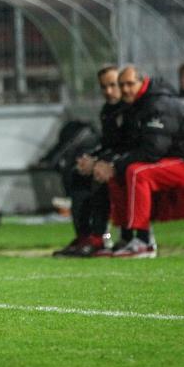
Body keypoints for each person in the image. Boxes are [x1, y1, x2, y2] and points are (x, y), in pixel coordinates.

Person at [92, 66, 184, 258]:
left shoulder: (158, 104)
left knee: (137, 172)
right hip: (172, 160)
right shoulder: (135, 106)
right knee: (121, 172)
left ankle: (144, 242)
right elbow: (128, 146)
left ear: (143, 82)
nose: (124, 89)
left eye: (129, 84)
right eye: (121, 85)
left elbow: (153, 150)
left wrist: (115, 165)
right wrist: (104, 163)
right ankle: (124, 237)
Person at [52, 66, 126, 257]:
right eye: (104, 87)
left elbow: (133, 146)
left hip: (129, 163)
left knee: (98, 176)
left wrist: (102, 162)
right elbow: (108, 144)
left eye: (113, 85)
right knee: (76, 173)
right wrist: (92, 159)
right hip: (116, 159)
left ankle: (100, 237)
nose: (108, 91)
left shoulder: (132, 109)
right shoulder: (108, 111)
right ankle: (84, 236)